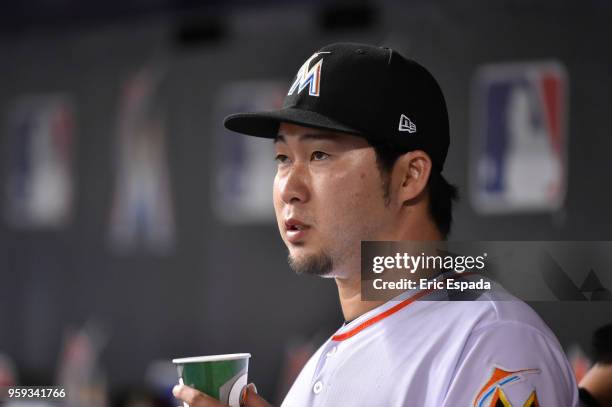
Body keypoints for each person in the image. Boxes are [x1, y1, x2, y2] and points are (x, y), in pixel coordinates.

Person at [173, 42, 579, 406]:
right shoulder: (322, 365)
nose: (289, 188)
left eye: (319, 155)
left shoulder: (492, 340)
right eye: (282, 159)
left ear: (409, 176)